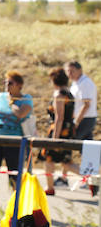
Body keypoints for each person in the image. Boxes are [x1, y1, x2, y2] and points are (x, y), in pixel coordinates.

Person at [0, 70, 33, 208]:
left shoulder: (26, 99)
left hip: (15, 142)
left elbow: (21, 114)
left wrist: (12, 103)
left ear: (19, 85)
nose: (7, 85)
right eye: (5, 82)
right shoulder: (0, 97)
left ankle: (16, 203)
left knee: (14, 173)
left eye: (10, 83)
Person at [38, 67, 77, 196]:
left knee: (49, 158)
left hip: (59, 130)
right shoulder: (69, 93)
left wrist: (55, 139)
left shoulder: (59, 94)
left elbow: (59, 117)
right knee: (66, 161)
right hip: (68, 130)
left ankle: (50, 187)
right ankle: (91, 177)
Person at [66, 60, 97, 142]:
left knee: (72, 142)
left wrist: (76, 122)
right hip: (81, 118)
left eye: (72, 71)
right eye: (68, 71)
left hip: (85, 118)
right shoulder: (75, 83)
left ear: (79, 70)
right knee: (87, 146)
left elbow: (86, 105)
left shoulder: (85, 83)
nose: (70, 74)